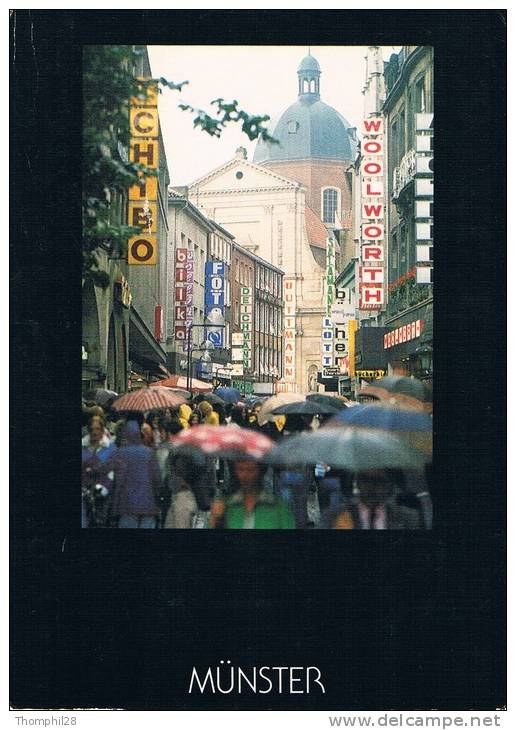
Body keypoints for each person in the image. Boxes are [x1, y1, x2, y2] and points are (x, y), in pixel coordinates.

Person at [209, 459, 295, 529]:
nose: (245, 475)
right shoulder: (226, 505)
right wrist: (215, 520)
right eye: (241, 470)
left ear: (261, 472)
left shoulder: (279, 507)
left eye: (251, 470)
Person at [326, 469, 421, 529]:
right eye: (365, 479)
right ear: (358, 482)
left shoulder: (409, 517)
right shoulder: (335, 515)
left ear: (390, 485)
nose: (371, 487)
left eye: (379, 480)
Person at [110, 420, 162, 528]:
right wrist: (159, 500)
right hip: (148, 504)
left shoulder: (120, 453)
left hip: (127, 505)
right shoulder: (149, 453)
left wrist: (114, 507)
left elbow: (118, 482)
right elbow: (157, 479)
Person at [81, 415, 116, 527]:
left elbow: (113, 472)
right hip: (84, 493)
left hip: (104, 493)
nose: (94, 432)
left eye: (97, 429)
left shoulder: (111, 448)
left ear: (102, 430)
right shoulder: (83, 447)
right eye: (91, 429)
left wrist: (103, 489)